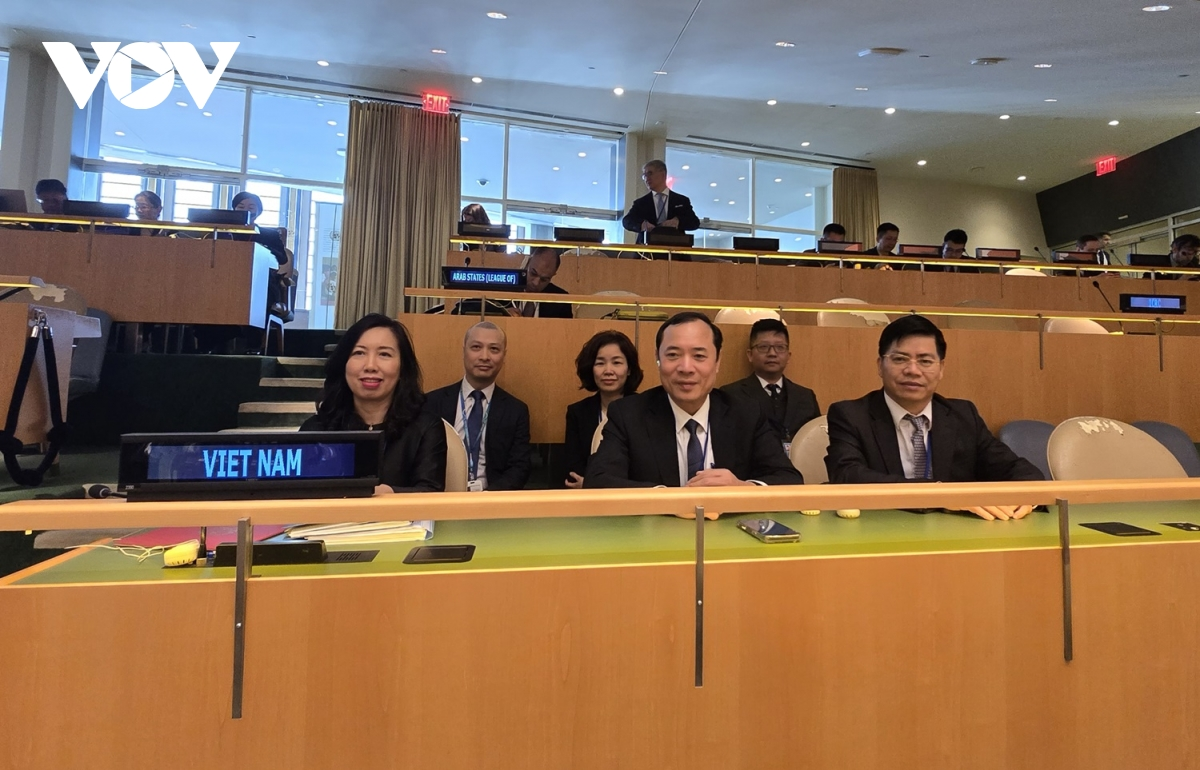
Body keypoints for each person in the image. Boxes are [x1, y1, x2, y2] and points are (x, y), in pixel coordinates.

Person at [825, 315, 1044, 520]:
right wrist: (940, 495)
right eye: (900, 359)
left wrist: (1025, 498)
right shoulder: (851, 415)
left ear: (941, 369)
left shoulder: (962, 415)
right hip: (881, 528)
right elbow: (847, 476)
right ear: (880, 366)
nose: (913, 370)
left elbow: (1019, 471)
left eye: (925, 361)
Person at [585, 312, 803, 490]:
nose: (686, 368)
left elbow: (788, 478)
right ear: (658, 358)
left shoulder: (746, 413)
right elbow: (598, 481)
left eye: (699, 356)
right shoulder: (628, 415)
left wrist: (742, 487)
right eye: (673, 355)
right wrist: (668, 499)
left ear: (717, 361)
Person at [300, 314, 447, 493]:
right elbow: (299, 494)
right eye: (359, 353)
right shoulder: (315, 429)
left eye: (384, 354)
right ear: (343, 363)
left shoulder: (426, 427)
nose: (370, 366)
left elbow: (430, 493)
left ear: (402, 368)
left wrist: (386, 495)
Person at [424, 322, 532, 491]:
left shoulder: (516, 411)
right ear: (464, 351)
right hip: (441, 496)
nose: (484, 356)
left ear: (504, 356)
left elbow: (519, 468)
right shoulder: (431, 403)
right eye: (476, 347)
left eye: (494, 349)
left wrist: (488, 498)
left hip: (493, 499)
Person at [721, 319, 820, 450]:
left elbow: (816, 442)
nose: (772, 353)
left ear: (788, 356)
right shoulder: (730, 395)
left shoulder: (806, 397)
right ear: (750, 355)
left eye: (780, 347)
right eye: (763, 347)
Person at [563, 330, 643, 488]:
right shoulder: (577, 412)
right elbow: (574, 470)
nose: (608, 371)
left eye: (617, 363)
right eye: (600, 363)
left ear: (629, 369)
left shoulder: (644, 409)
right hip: (587, 498)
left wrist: (592, 484)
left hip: (632, 496)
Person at [622, 159, 700, 246]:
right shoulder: (641, 203)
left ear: (663, 174)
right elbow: (627, 221)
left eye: (650, 173)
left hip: (675, 249)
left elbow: (694, 222)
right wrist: (642, 225)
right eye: (644, 175)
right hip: (646, 250)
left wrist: (677, 221)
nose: (647, 178)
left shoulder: (681, 201)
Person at [514, 247, 573, 318]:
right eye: (533, 273)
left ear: (552, 275)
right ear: (527, 264)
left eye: (544, 279)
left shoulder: (561, 301)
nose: (536, 283)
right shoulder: (505, 291)